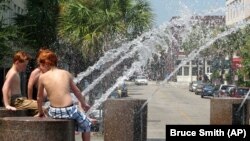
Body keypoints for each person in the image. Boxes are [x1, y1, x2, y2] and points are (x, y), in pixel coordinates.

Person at [36, 49, 92, 141]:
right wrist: (83, 103)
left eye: (41, 66)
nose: (40, 68)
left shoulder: (42, 77)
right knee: (87, 124)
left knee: (48, 109)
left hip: (54, 112)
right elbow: (77, 91)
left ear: (46, 64)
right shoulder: (66, 73)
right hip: (69, 111)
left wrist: (40, 112)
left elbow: (39, 97)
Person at [2, 51, 38, 115]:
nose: (25, 68)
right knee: (40, 106)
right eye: (24, 65)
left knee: (37, 105)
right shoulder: (13, 73)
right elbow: (4, 88)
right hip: (16, 101)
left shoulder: (14, 72)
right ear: (17, 62)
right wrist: (7, 105)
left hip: (19, 99)